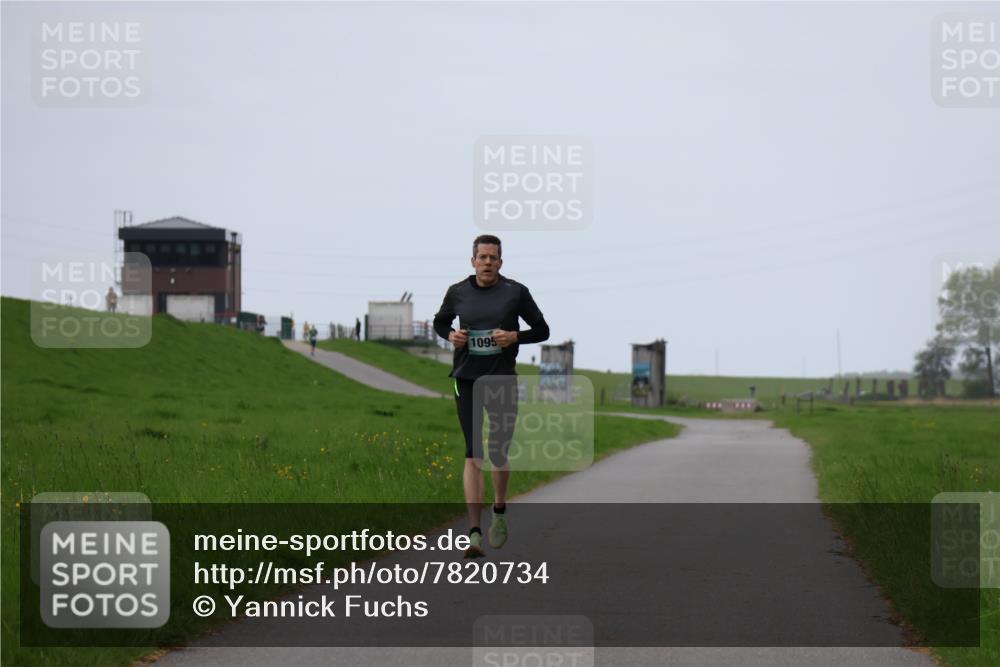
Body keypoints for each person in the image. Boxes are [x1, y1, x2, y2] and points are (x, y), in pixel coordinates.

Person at [433, 234, 549, 558]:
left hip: (501, 380)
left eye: (493, 258)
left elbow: (543, 330)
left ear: (500, 262)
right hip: (466, 379)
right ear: (473, 261)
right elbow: (440, 322)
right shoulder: (457, 292)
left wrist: (514, 337)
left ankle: (499, 511)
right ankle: (473, 534)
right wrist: (451, 336)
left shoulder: (515, 293)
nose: (487, 262)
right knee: (473, 454)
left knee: (498, 452)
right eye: (482, 257)